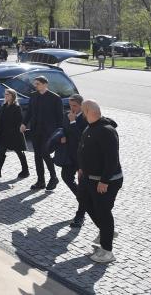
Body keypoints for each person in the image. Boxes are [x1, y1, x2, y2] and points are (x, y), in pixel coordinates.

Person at [77, 99, 122, 264]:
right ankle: (107, 231)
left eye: (82, 111)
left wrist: (104, 181)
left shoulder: (106, 131)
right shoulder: (90, 127)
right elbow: (84, 149)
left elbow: (111, 159)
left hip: (104, 181)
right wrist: (81, 168)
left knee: (103, 212)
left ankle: (107, 251)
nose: (81, 114)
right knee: (83, 200)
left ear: (88, 112)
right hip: (88, 178)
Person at [21, 75, 63, 191]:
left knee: (45, 153)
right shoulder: (33, 96)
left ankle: (53, 177)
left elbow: (60, 118)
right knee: (37, 156)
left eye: (38, 84)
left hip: (48, 132)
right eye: (35, 84)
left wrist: (61, 134)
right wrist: (24, 123)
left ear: (45, 84)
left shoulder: (55, 98)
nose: (35, 86)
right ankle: (41, 181)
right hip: (35, 130)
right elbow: (29, 112)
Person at [0, 88, 29, 179]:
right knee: (2, 151)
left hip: (14, 134)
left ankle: (25, 171)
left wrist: (13, 131)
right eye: (5, 94)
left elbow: (19, 121)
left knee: (19, 152)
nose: (5, 96)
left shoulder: (16, 107)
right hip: (5, 134)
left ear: (13, 96)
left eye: (8, 94)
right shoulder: (4, 106)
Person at [61, 94, 88, 227]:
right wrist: (62, 136)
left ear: (81, 106)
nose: (72, 108)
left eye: (75, 106)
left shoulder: (86, 118)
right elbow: (63, 129)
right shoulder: (68, 115)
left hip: (82, 158)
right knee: (65, 176)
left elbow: (81, 138)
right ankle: (84, 200)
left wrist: (73, 122)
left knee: (82, 186)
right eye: (70, 105)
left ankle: (80, 215)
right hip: (69, 155)